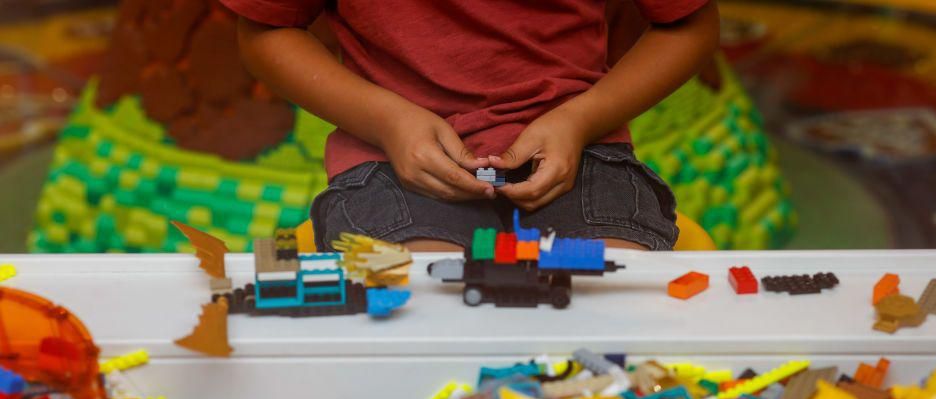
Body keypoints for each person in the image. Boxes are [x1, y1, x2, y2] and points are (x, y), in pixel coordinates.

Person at [224, 0, 720, 252]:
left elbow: (689, 25)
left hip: (581, 153)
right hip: (389, 159)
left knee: (609, 301)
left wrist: (579, 119)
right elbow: (265, 32)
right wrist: (388, 120)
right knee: (418, 304)